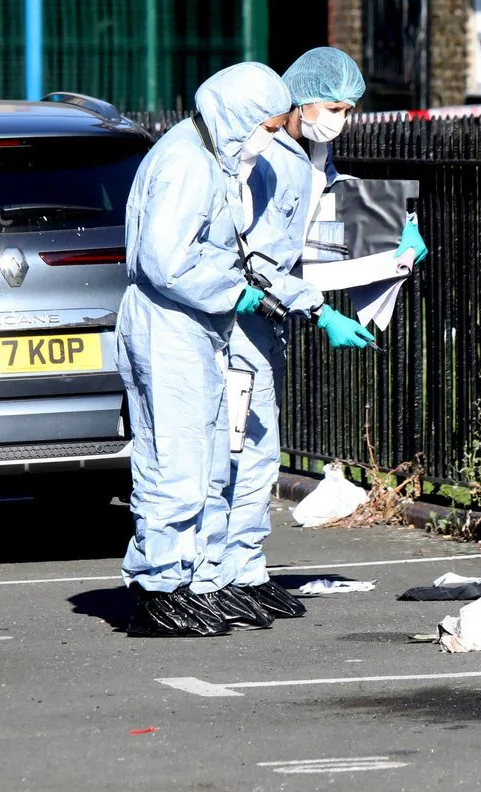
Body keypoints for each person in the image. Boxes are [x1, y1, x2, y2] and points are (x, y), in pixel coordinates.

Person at [117, 62, 325, 637]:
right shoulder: (187, 162)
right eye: (268, 126)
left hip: (193, 322)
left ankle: (189, 579)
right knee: (175, 462)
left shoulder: (211, 158)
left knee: (205, 461)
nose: (270, 137)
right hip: (168, 323)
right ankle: (159, 588)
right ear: (240, 116)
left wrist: (247, 290)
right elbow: (168, 261)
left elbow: (216, 248)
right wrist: (237, 292)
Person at [219, 48, 384, 618]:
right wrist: (318, 311)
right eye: (333, 107)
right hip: (241, 322)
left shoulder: (312, 152)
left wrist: (391, 237)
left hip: (268, 320)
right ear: (300, 100)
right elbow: (259, 259)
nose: (340, 119)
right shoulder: (267, 157)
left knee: (258, 450)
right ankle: (225, 575)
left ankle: (242, 569)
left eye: (347, 110)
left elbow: (322, 214)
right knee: (239, 450)